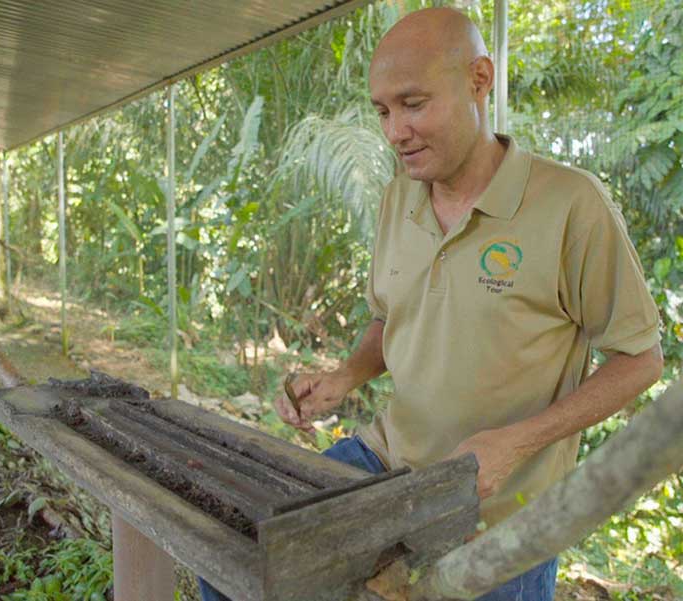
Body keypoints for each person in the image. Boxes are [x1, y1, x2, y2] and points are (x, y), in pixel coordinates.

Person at [199, 7, 663, 601]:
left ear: (479, 79)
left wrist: (516, 443)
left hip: (502, 511)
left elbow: (640, 360)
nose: (395, 131)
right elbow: (393, 317)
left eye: (414, 104)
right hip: (385, 463)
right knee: (236, 561)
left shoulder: (571, 204)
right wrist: (346, 375)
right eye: (383, 111)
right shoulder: (401, 196)